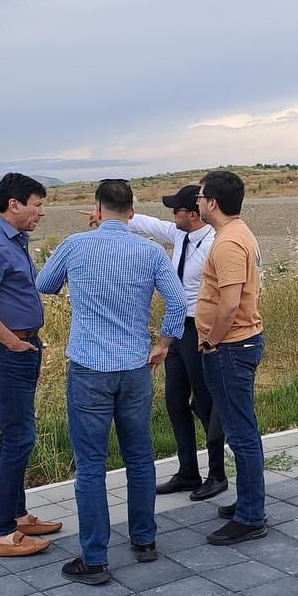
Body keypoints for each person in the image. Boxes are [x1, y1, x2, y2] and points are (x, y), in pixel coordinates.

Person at [36, 179, 187, 584]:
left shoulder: (75, 245)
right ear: (132, 212)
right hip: (136, 367)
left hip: (89, 367)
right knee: (139, 456)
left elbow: (44, 284)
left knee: (91, 465)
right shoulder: (150, 250)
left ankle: (95, 558)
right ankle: (144, 539)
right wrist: (164, 343)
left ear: (97, 209)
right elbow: (178, 301)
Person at [0, 172, 63, 558]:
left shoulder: (15, 240)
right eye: (37, 205)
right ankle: (2, 533)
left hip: (22, 346)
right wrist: (12, 342)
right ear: (14, 204)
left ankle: (18, 516)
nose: (42, 212)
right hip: (7, 351)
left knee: (17, 433)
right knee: (19, 437)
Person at [120, 186, 227, 500]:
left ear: (192, 214)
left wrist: (213, 337)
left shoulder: (213, 244)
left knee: (205, 403)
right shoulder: (181, 234)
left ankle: (217, 474)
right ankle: (188, 472)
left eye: (175, 210)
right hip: (177, 329)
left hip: (200, 329)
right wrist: (112, 216)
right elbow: (149, 225)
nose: (171, 216)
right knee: (175, 401)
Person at [196, 170, 269, 546]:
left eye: (200, 196)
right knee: (241, 431)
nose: (196, 202)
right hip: (237, 344)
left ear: (212, 203)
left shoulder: (227, 242)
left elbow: (229, 303)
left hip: (230, 348)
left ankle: (251, 517)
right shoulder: (237, 233)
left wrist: (211, 341)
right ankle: (248, 502)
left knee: (241, 434)